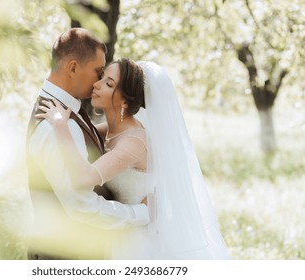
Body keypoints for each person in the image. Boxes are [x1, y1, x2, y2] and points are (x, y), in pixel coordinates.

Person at [38, 58, 231, 259]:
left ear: (125, 101)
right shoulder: (110, 131)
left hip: (137, 238)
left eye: (109, 84)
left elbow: (83, 178)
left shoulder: (133, 142)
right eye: (102, 77)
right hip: (119, 228)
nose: (97, 84)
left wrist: (61, 125)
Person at [26, 29, 150, 260]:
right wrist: (141, 213)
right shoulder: (57, 124)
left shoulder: (68, 113)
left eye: (106, 78)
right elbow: (81, 206)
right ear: (73, 68)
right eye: (98, 72)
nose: (97, 82)